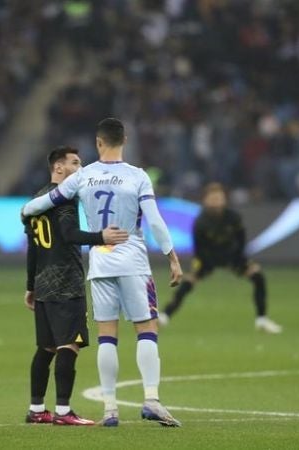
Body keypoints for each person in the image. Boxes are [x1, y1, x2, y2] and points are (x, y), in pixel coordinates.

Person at [22, 118, 184, 427]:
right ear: (124, 141)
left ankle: (110, 408)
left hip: (100, 263)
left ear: (99, 143)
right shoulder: (138, 176)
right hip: (133, 260)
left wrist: (25, 211)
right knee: (146, 329)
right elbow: (155, 220)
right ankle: (151, 399)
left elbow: (45, 202)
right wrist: (172, 257)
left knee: (107, 336)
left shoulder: (84, 176)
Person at [24, 146, 129, 426]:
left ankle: (36, 409)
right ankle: (63, 411)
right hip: (66, 284)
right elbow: (70, 234)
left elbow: (32, 248)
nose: (80, 168)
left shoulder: (37, 199)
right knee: (68, 346)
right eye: (75, 163)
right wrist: (101, 236)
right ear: (58, 168)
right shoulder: (64, 200)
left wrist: (30, 285)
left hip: (44, 284)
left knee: (45, 349)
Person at [159, 182, 283, 334]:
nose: (216, 202)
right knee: (187, 282)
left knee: (258, 276)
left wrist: (237, 259)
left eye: (219, 198)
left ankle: (262, 319)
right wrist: (207, 264)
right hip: (207, 258)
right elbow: (199, 249)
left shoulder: (234, 217)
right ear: (206, 200)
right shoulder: (201, 222)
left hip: (231, 255)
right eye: (213, 199)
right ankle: (165, 314)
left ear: (224, 199)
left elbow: (241, 240)